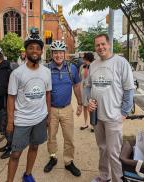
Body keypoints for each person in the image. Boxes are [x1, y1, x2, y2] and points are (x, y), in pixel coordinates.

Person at [6, 29, 52, 182]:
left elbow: (47, 94)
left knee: (34, 146)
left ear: (41, 51)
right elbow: (11, 98)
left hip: (40, 119)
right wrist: (10, 122)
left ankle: (27, 174)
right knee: (15, 154)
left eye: (38, 48)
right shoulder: (17, 73)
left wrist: (48, 116)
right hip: (22, 121)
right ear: (26, 50)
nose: (35, 51)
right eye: (31, 47)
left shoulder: (46, 72)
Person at [88, 34, 134, 182]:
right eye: (97, 45)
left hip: (113, 117)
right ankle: (104, 176)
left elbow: (129, 89)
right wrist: (88, 101)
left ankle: (118, 179)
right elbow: (88, 87)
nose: (100, 47)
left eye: (103, 44)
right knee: (102, 149)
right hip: (97, 116)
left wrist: (124, 112)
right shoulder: (93, 65)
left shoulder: (121, 63)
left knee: (114, 153)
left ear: (109, 44)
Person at [44, 40, 82, 177]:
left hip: (67, 109)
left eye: (60, 52)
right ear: (52, 53)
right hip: (51, 110)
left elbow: (77, 86)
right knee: (51, 137)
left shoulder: (71, 68)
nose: (58, 55)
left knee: (69, 137)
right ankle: (53, 158)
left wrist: (80, 103)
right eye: (55, 52)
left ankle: (68, 162)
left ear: (64, 53)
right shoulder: (46, 69)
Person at [79, 52, 94, 131]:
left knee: (91, 107)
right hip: (83, 89)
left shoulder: (93, 67)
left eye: (85, 59)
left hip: (91, 89)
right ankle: (85, 123)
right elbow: (80, 78)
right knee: (85, 106)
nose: (84, 60)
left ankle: (92, 124)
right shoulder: (82, 67)